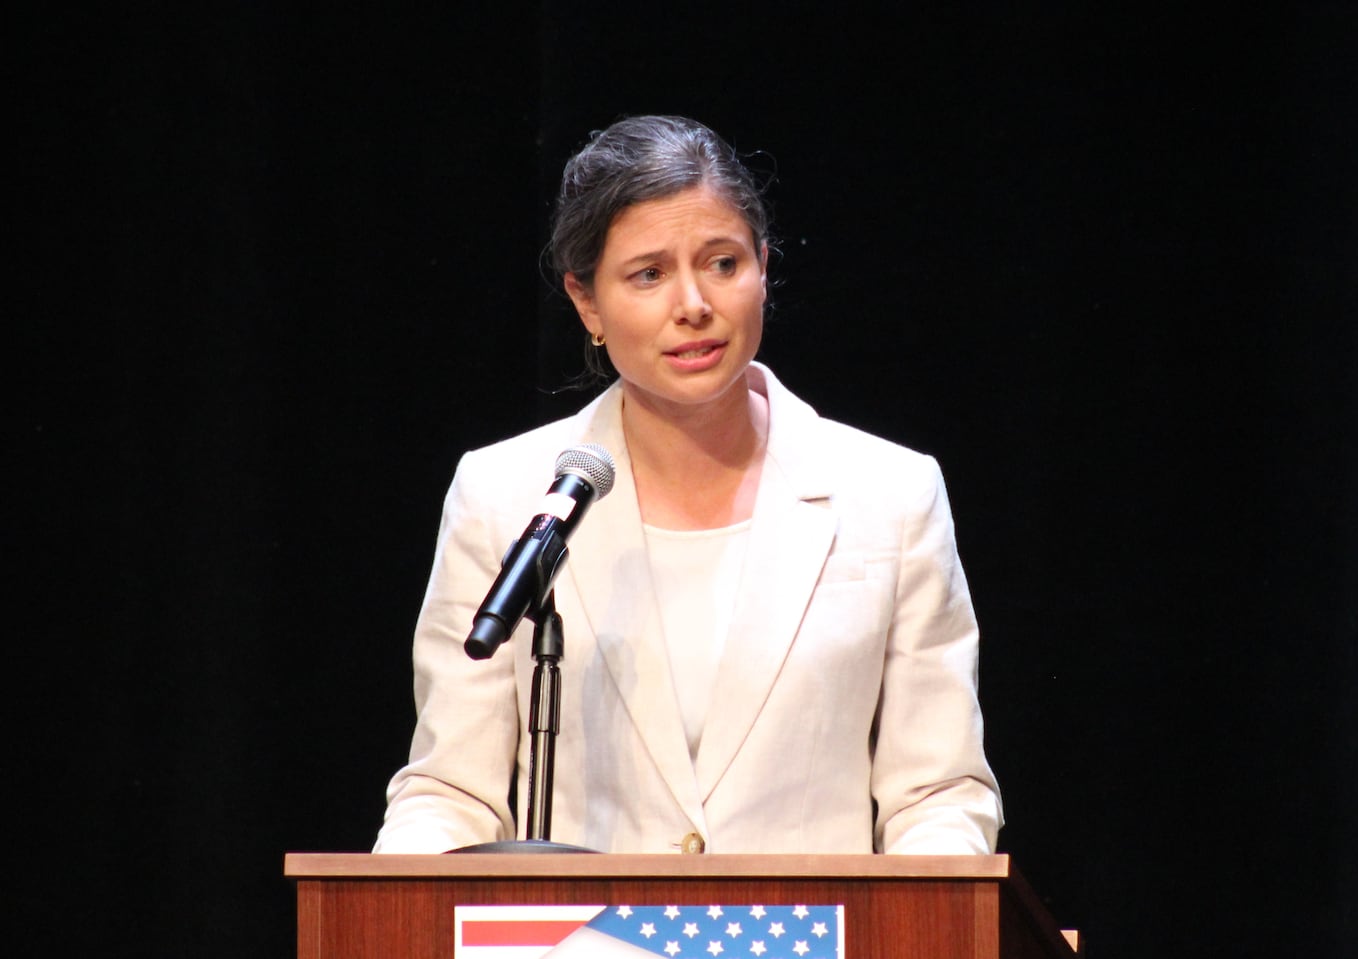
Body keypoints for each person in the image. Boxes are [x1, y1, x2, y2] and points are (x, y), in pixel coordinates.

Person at [373, 115, 1002, 855]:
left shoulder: (891, 495)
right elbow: (452, 790)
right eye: (648, 274)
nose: (693, 304)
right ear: (587, 303)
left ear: (763, 268)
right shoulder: (505, 495)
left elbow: (937, 796)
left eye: (723, 263)